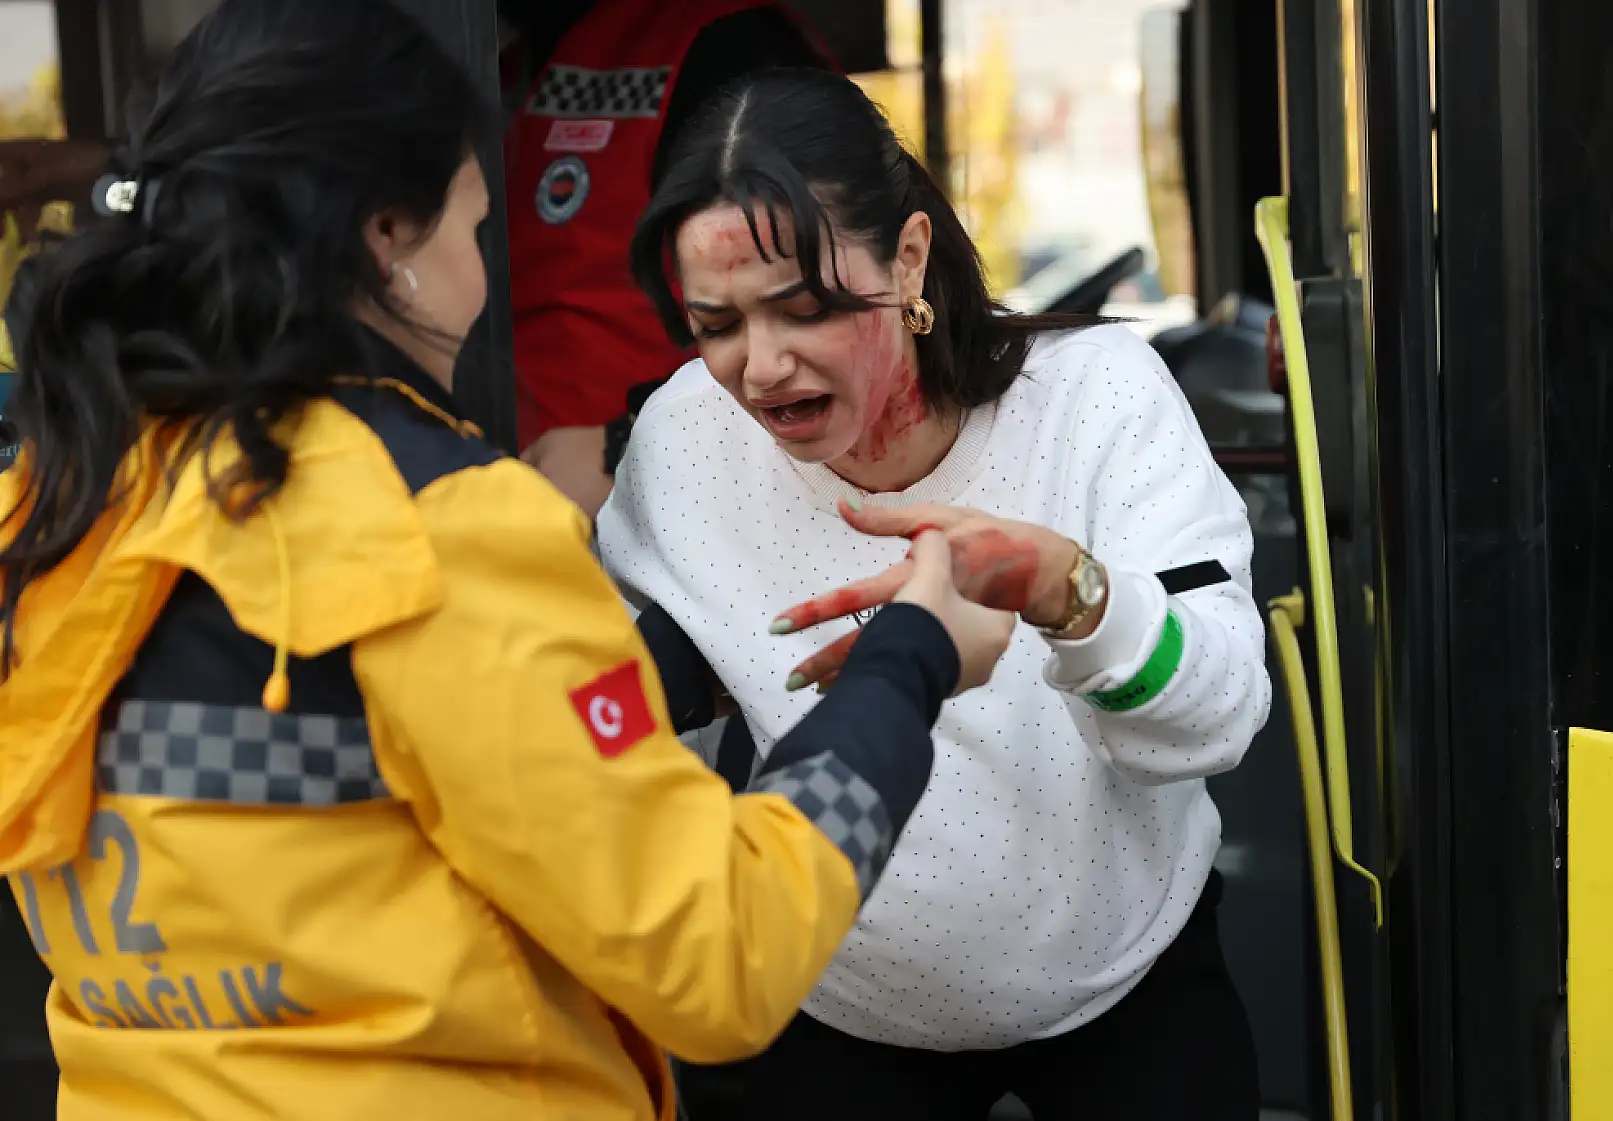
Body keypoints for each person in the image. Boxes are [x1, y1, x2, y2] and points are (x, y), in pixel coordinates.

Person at [0, 7, 1014, 1120]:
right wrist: (909, 657)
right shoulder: (439, 527)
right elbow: (718, 952)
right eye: (479, 227)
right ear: (390, 237)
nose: (487, 266)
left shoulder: (61, 504)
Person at [597, 68, 1272, 1120]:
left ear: (908, 257)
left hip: (1124, 980)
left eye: (803, 306)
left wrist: (1066, 591)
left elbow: (1217, 717)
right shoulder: (687, 435)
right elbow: (629, 731)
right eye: (713, 323)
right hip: (827, 1005)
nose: (760, 368)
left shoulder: (1094, 395)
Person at [499, 0, 833, 515]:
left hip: (662, 505)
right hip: (518, 498)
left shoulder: (719, 44)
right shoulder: (494, 47)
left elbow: (811, 327)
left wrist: (623, 442)